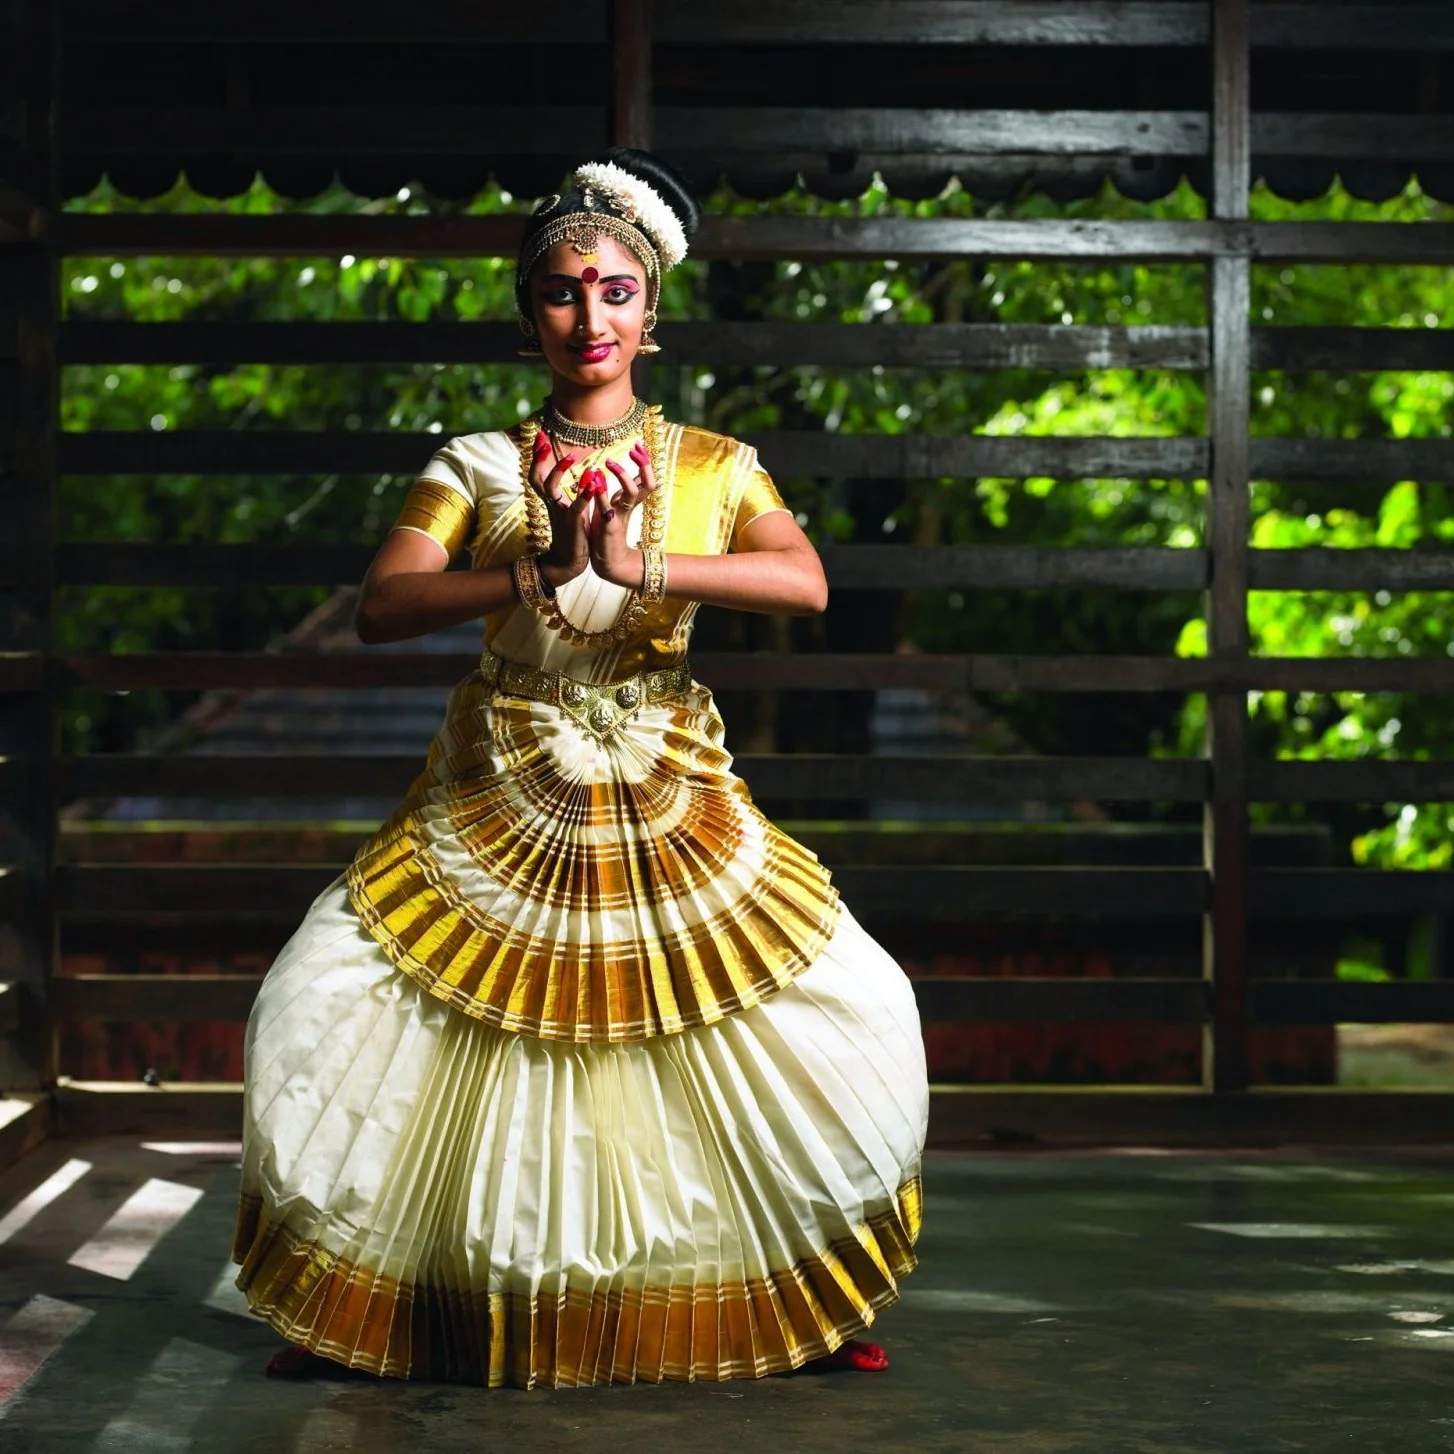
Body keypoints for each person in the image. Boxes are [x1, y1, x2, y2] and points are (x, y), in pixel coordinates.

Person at [232, 148, 929, 1389]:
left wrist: (637, 564)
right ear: (528, 314)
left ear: (649, 311)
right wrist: (536, 571)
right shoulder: (474, 463)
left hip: (665, 778)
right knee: (338, 994)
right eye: (561, 291)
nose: (588, 317)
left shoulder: (713, 464)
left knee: (825, 1004)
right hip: (499, 781)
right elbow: (383, 604)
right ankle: (384, 1305)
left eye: (614, 291)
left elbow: (803, 581)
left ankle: (783, 1293)